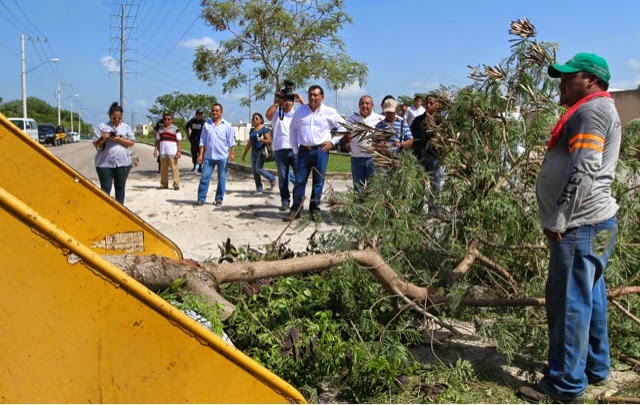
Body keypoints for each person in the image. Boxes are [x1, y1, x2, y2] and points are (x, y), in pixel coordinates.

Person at [516, 53, 621, 404]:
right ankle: (594, 367)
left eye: (568, 77)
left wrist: (558, 219)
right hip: (598, 223)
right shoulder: (597, 108)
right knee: (590, 294)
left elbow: (584, 170)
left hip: (581, 224)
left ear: (590, 80)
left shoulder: (591, 112)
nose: (560, 82)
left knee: (568, 302)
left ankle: (563, 385)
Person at [287, 84, 346, 220]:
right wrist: (295, 149)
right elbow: (292, 129)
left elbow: (343, 127)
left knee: (318, 182)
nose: (312, 97)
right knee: (300, 181)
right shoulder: (300, 111)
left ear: (322, 97)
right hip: (303, 151)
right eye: (310, 95)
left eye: (315, 95)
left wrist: (332, 142)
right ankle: (296, 209)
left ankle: (314, 210)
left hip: (321, 151)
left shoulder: (329, 112)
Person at [266, 92, 305, 211]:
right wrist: (277, 102)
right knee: (283, 178)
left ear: (293, 103)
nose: (288, 103)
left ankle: (298, 201)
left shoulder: (297, 114)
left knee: (300, 177)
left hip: (295, 150)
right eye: (286, 100)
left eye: (290, 101)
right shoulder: (277, 114)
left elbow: (308, 112)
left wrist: (301, 100)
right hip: (280, 149)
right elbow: (268, 115)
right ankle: (285, 201)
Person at [92, 102, 136, 204]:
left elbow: (131, 143)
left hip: (122, 163)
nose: (116, 120)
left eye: (119, 118)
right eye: (114, 118)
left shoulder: (126, 127)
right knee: (105, 188)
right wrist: (103, 138)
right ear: (110, 116)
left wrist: (118, 139)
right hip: (104, 163)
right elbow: (96, 144)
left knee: (120, 188)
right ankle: (105, 209)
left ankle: (119, 210)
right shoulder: (102, 126)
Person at [196, 103, 236, 206]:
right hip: (209, 157)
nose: (215, 112)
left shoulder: (227, 125)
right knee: (205, 177)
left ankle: (219, 198)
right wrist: (200, 155)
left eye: (217, 111)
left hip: (222, 157)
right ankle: (201, 198)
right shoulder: (206, 125)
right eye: (213, 110)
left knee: (222, 179)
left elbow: (232, 142)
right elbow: (202, 141)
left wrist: (232, 153)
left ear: (221, 112)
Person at [410, 94, 442, 211]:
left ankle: (434, 209)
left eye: (431, 103)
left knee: (435, 184)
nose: (428, 105)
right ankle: (416, 207)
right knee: (419, 183)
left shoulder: (441, 122)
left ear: (437, 105)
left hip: (435, 157)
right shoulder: (418, 120)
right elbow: (411, 137)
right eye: (426, 103)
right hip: (420, 157)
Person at [347, 95, 383, 192]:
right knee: (358, 188)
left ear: (372, 106)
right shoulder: (351, 119)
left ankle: (371, 208)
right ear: (359, 105)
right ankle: (359, 207)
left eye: (367, 103)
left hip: (373, 158)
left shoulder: (380, 119)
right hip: (356, 158)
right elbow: (344, 135)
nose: (364, 105)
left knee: (374, 188)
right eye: (362, 103)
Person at [242, 112, 276, 193]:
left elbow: (269, 141)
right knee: (254, 171)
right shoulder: (252, 130)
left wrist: (262, 140)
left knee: (258, 169)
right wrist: (244, 154)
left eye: (256, 118)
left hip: (262, 152)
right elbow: (249, 143)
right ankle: (259, 187)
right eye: (253, 118)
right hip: (254, 152)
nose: (254, 120)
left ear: (261, 120)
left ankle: (271, 178)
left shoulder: (264, 129)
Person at [153, 112, 182, 190]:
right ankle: (164, 184)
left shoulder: (176, 129)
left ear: (172, 120)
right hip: (163, 153)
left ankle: (176, 184)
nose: (166, 120)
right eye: (165, 119)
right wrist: (155, 149)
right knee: (163, 170)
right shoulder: (160, 129)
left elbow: (179, 141)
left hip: (172, 153)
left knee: (174, 169)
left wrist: (179, 151)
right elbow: (157, 140)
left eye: (168, 119)